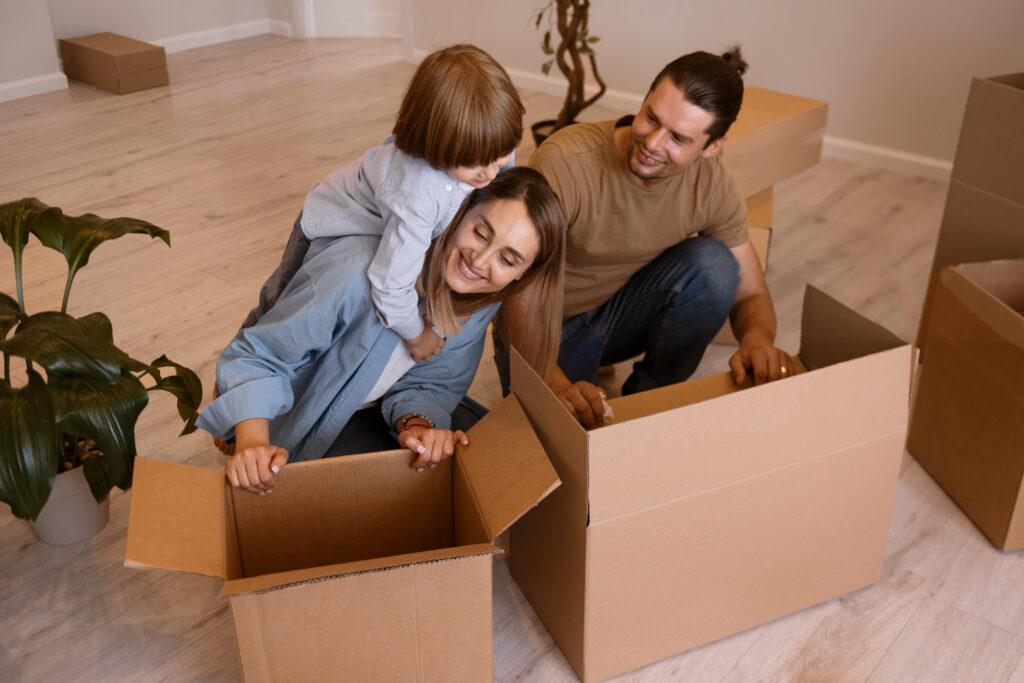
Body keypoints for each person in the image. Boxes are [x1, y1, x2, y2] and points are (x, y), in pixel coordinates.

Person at [197, 168, 565, 494]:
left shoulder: (481, 299)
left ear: (522, 276)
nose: (480, 261)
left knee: (487, 461)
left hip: (362, 408)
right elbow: (258, 356)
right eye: (481, 233)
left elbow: (433, 385)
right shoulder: (355, 273)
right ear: (459, 211)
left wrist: (417, 424)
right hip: (289, 422)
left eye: (507, 259)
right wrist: (251, 445)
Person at [496, 47, 794, 428]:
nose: (653, 143)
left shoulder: (713, 184)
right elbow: (514, 294)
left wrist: (756, 340)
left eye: (679, 139)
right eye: (651, 118)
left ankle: (649, 402)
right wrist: (553, 382)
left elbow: (750, 292)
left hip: (618, 315)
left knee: (714, 265)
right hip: (543, 329)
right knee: (560, 434)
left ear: (712, 147)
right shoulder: (566, 161)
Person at [243, 43, 525, 364]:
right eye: (476, 165)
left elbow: (502, 175)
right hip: (326, 221)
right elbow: (390, 286)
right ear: (436, 146)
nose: (491, 172)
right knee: (278, 309)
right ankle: (239, 370)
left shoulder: (488, 145)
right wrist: (417, 335)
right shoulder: (417, 193)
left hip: (385, 216)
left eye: (499, 157)